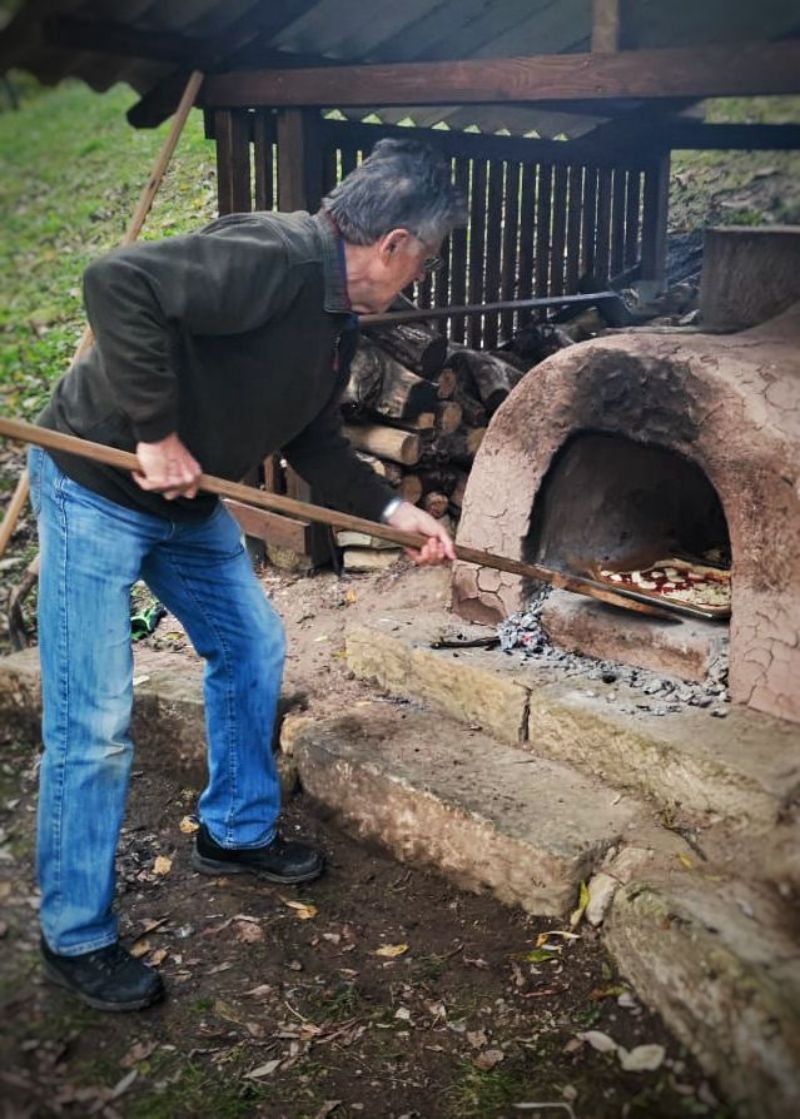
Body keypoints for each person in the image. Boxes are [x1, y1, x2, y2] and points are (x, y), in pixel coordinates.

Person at [28, 138, 466, 1012]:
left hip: (184, 510)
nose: (416, 279)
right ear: (395, 246)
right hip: (98, 488)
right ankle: (74, 930)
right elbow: (117, 280)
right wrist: (155, 431)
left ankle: (232, 831)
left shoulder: (334, 318)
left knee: (254, 647)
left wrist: (389, 510)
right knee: (96, 720)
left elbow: (310, 439)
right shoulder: (275, 256)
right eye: (422, 261)